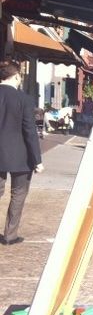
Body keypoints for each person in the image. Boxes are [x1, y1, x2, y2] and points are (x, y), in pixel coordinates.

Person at [0, 60, 44, 245]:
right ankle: (10, 236)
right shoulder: (24, 99)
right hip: (21, 156)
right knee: (18, 194)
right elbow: (30, 132)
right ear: (17, 76)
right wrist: (37, 160)